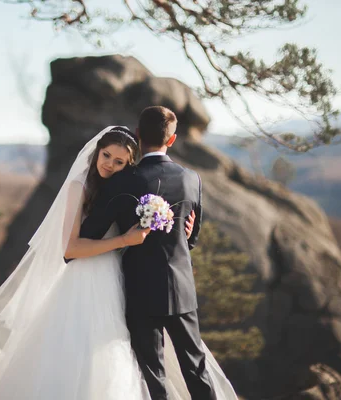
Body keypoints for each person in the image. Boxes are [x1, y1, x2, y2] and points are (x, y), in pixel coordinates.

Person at [0, 122, 235, 399]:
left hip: (118, 278)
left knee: (125, 356)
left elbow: (157, 217)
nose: (110, 164)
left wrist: (183, 232)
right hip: (86, 277)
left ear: (129, 163)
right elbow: (70, 249)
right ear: (97, 152)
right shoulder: (81, 187)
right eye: (106, 156)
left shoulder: (127, 186)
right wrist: (124, 241)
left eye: (119, 161)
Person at [80, 106, 236, 400]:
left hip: (141, 292)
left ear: (138, 136)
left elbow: (90, 235)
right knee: (196, 369)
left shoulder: (123, 181)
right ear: (172, 140)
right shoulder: (192, 179)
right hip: (181, 288)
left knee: (153, 375)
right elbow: (191, 238)